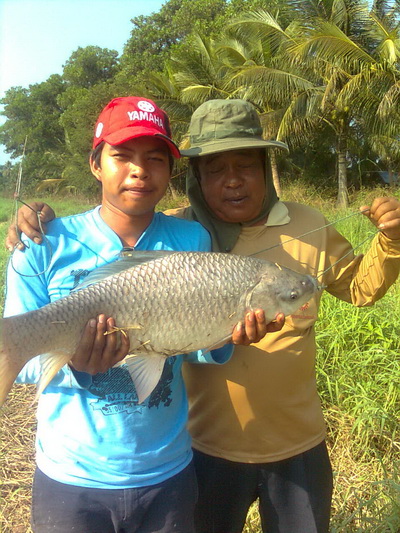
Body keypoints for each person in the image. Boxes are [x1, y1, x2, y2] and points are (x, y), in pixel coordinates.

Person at [7, 99, 400, 533]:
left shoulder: (277, 226)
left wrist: (393, 240)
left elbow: (359, 287)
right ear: (195, 176)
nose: (232, 181)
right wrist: (33, 219)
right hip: (183, 454)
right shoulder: (174, 237)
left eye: (246, 166)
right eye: (215, 170)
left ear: (266, 168)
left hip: (279, 447)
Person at [2, 96, 272, 533]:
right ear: (96, 164)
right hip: (72, 475)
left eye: (155, 159)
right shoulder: (43, 241)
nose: (139, 170)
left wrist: (226, 333)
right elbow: (29, 365)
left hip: (167, 472)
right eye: (121, 156)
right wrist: (75, 358)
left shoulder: (191, 238)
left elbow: (187, 349)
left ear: (170, 170)